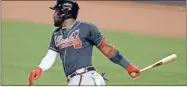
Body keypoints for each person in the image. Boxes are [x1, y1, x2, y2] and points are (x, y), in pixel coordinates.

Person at [28, 0, 140, 86]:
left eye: (56, 11)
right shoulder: (56, 35)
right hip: (81, 80)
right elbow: (50, 56)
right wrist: (40, 68)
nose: (54, 15)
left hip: (84, 79)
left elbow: (108, 49)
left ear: (65, 13)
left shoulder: (87, 28)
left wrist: (128, 66)